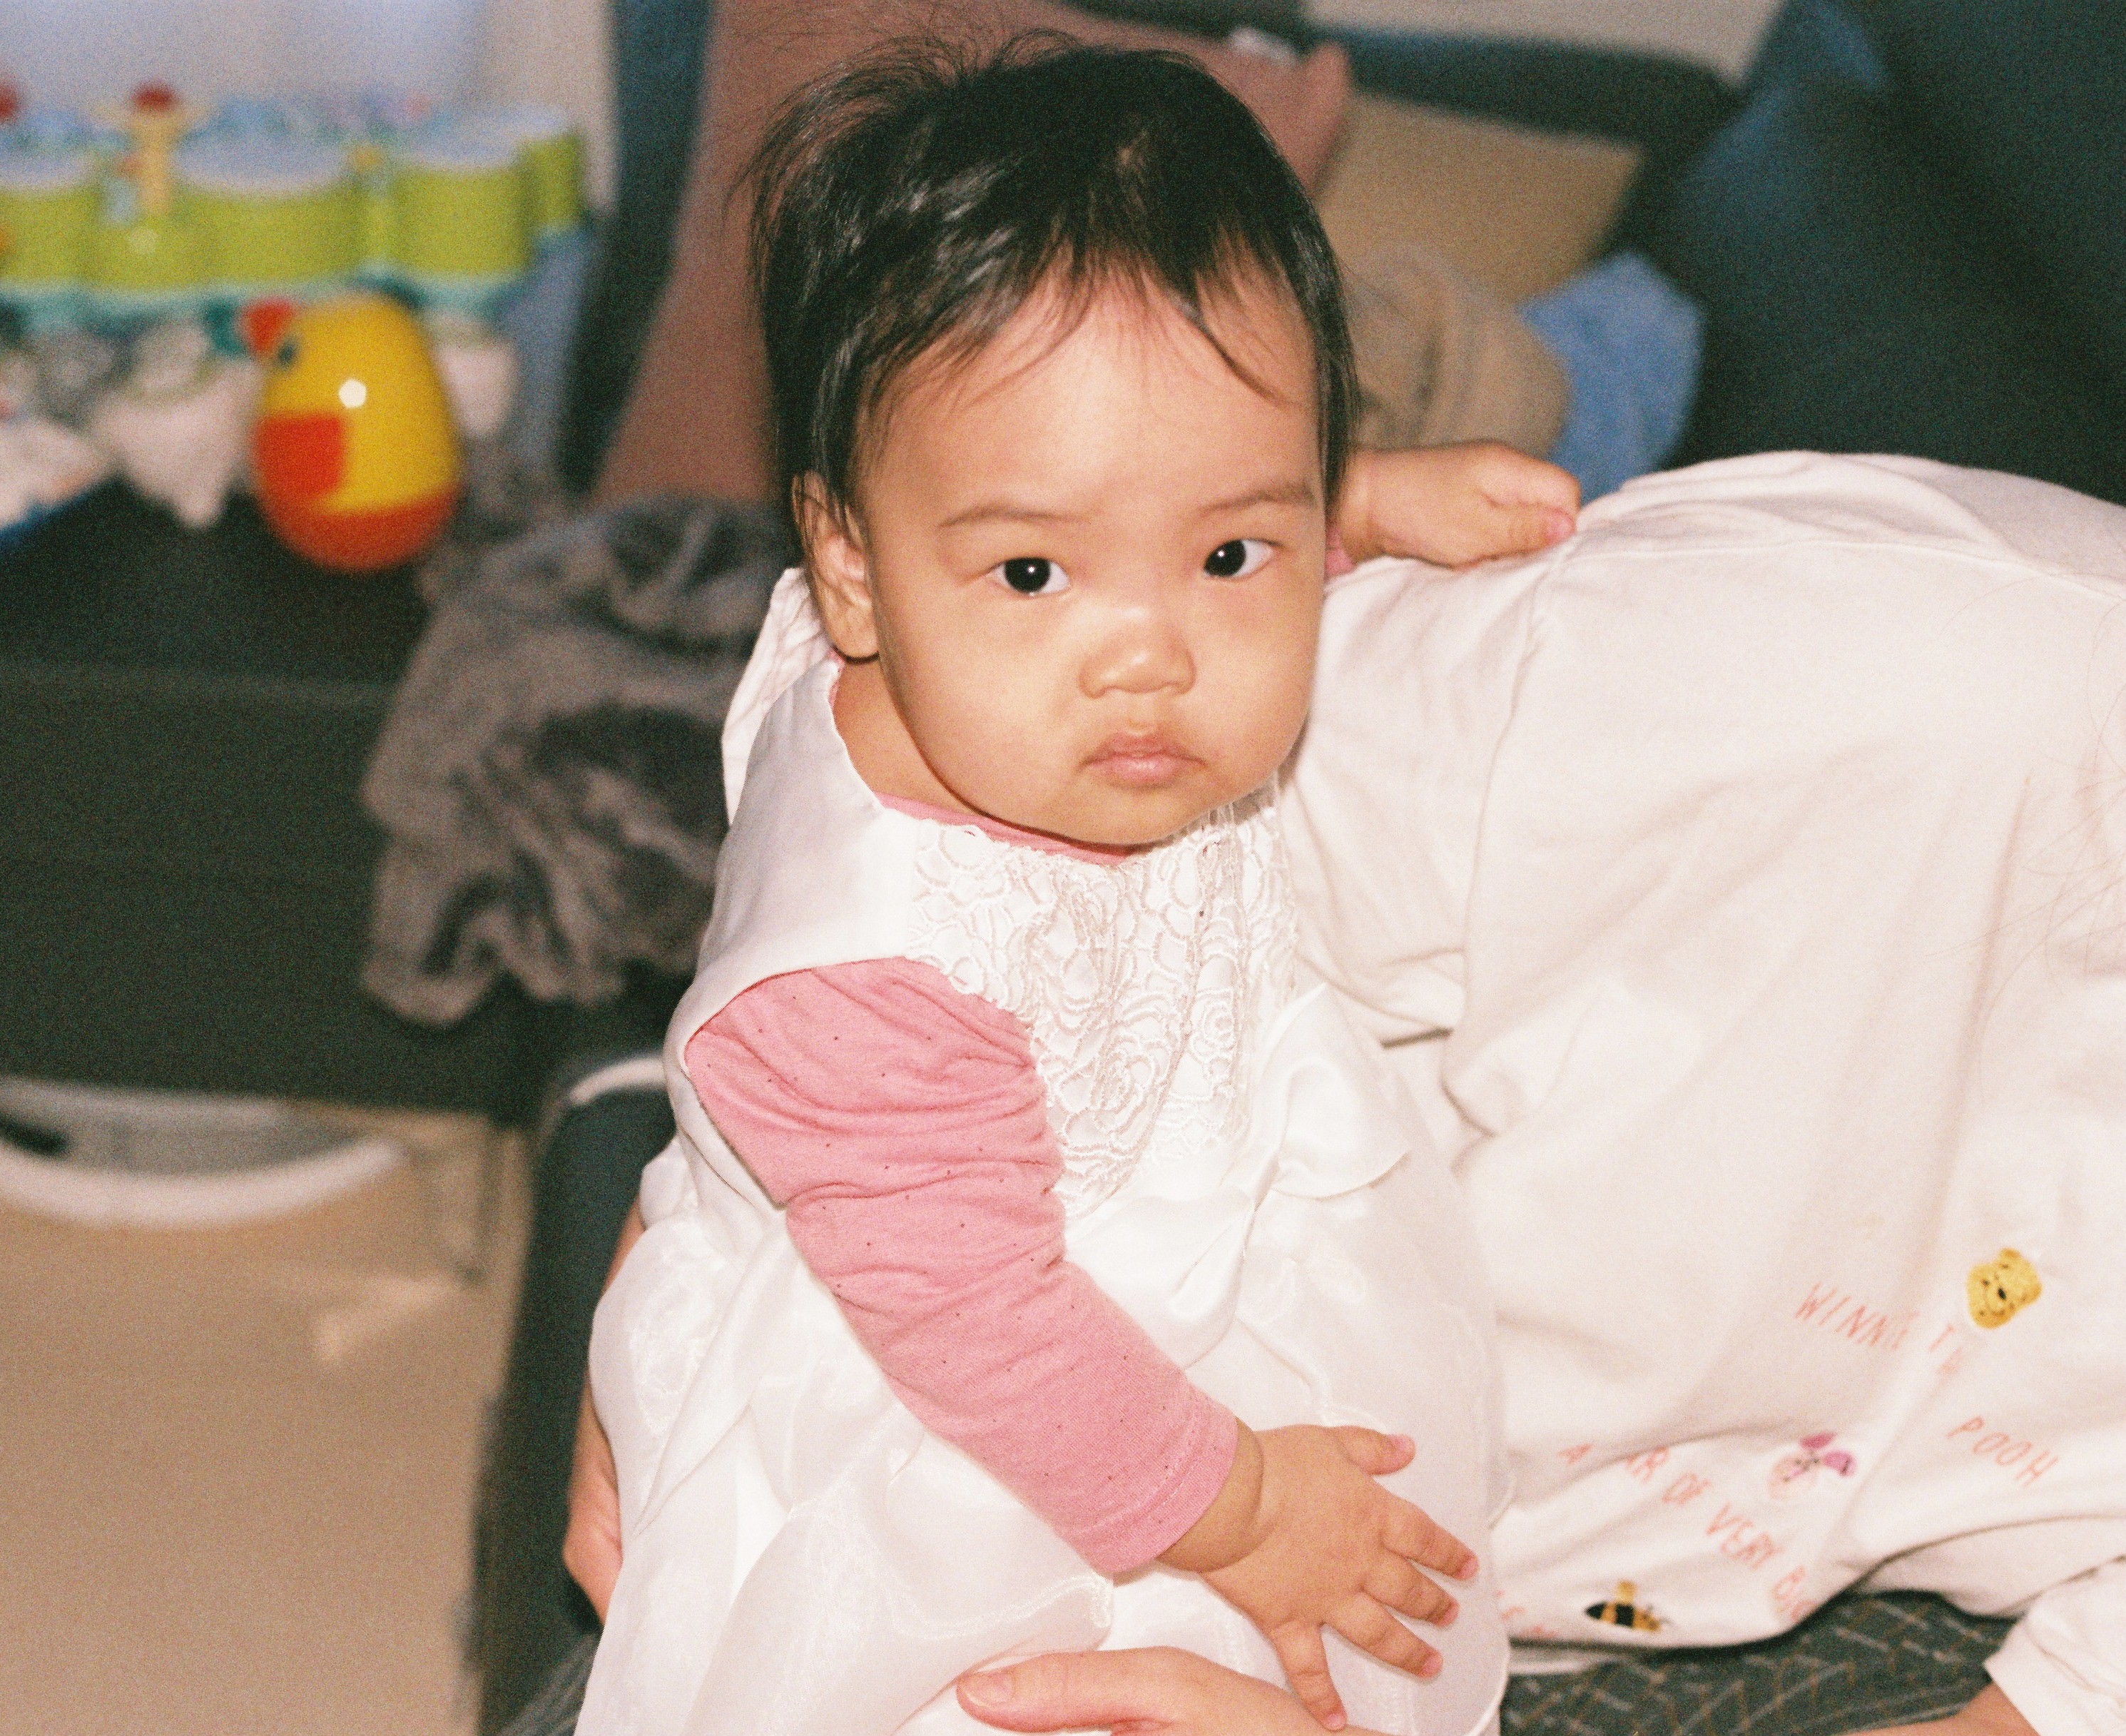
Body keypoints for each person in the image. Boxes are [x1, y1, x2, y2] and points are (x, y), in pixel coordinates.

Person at [571, 38, 1582, 1736]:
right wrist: (1246, 1510)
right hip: (955, 1382)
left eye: (1230, 554)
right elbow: (987, 1331)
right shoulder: (870, 970)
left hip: (1179, 1217)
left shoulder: (1017, 647)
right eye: (1034, 570)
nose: (1148, 653)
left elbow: (1150, 497)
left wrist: (1358, 505)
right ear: (849, 569)